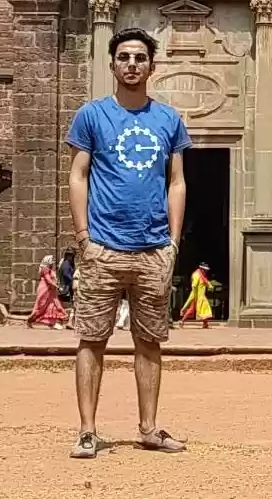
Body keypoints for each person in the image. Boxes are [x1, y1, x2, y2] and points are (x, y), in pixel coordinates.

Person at [66, 26, 190, 458]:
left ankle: (149, 428)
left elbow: (176, 182)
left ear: (151, 66)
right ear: (112, 63)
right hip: (102, 246)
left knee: (149, 340)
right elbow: (78, 175)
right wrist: (84, 238)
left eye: (139, 57)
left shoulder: (169, 119)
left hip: (153, 248)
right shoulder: (92, 115)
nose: (132, 64)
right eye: (124, 57)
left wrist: (172, 242)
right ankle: (87, 430)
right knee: (91, 339)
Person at [28, 255, 68, 328]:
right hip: (45, 289)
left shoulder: (49, 269)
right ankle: (31, 319)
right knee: (41, 305)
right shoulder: (45, 269)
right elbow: (48, 280)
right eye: (51, 261)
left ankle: (52, 322)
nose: (53, 262)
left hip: (50, 291)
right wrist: (57, 286)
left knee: (53, 305)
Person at [179, 264, 214, 328]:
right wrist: (194, 296)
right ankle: (182, 321)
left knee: (204, 309)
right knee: (192, 310)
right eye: (205, 270)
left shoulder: (202, 276)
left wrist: (210, 286)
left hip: (201, 296)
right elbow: (194, 286)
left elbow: (206, 282)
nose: (206, 272)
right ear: (201, 269)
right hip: (196, 296)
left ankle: (205, 324)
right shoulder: (197, 275)